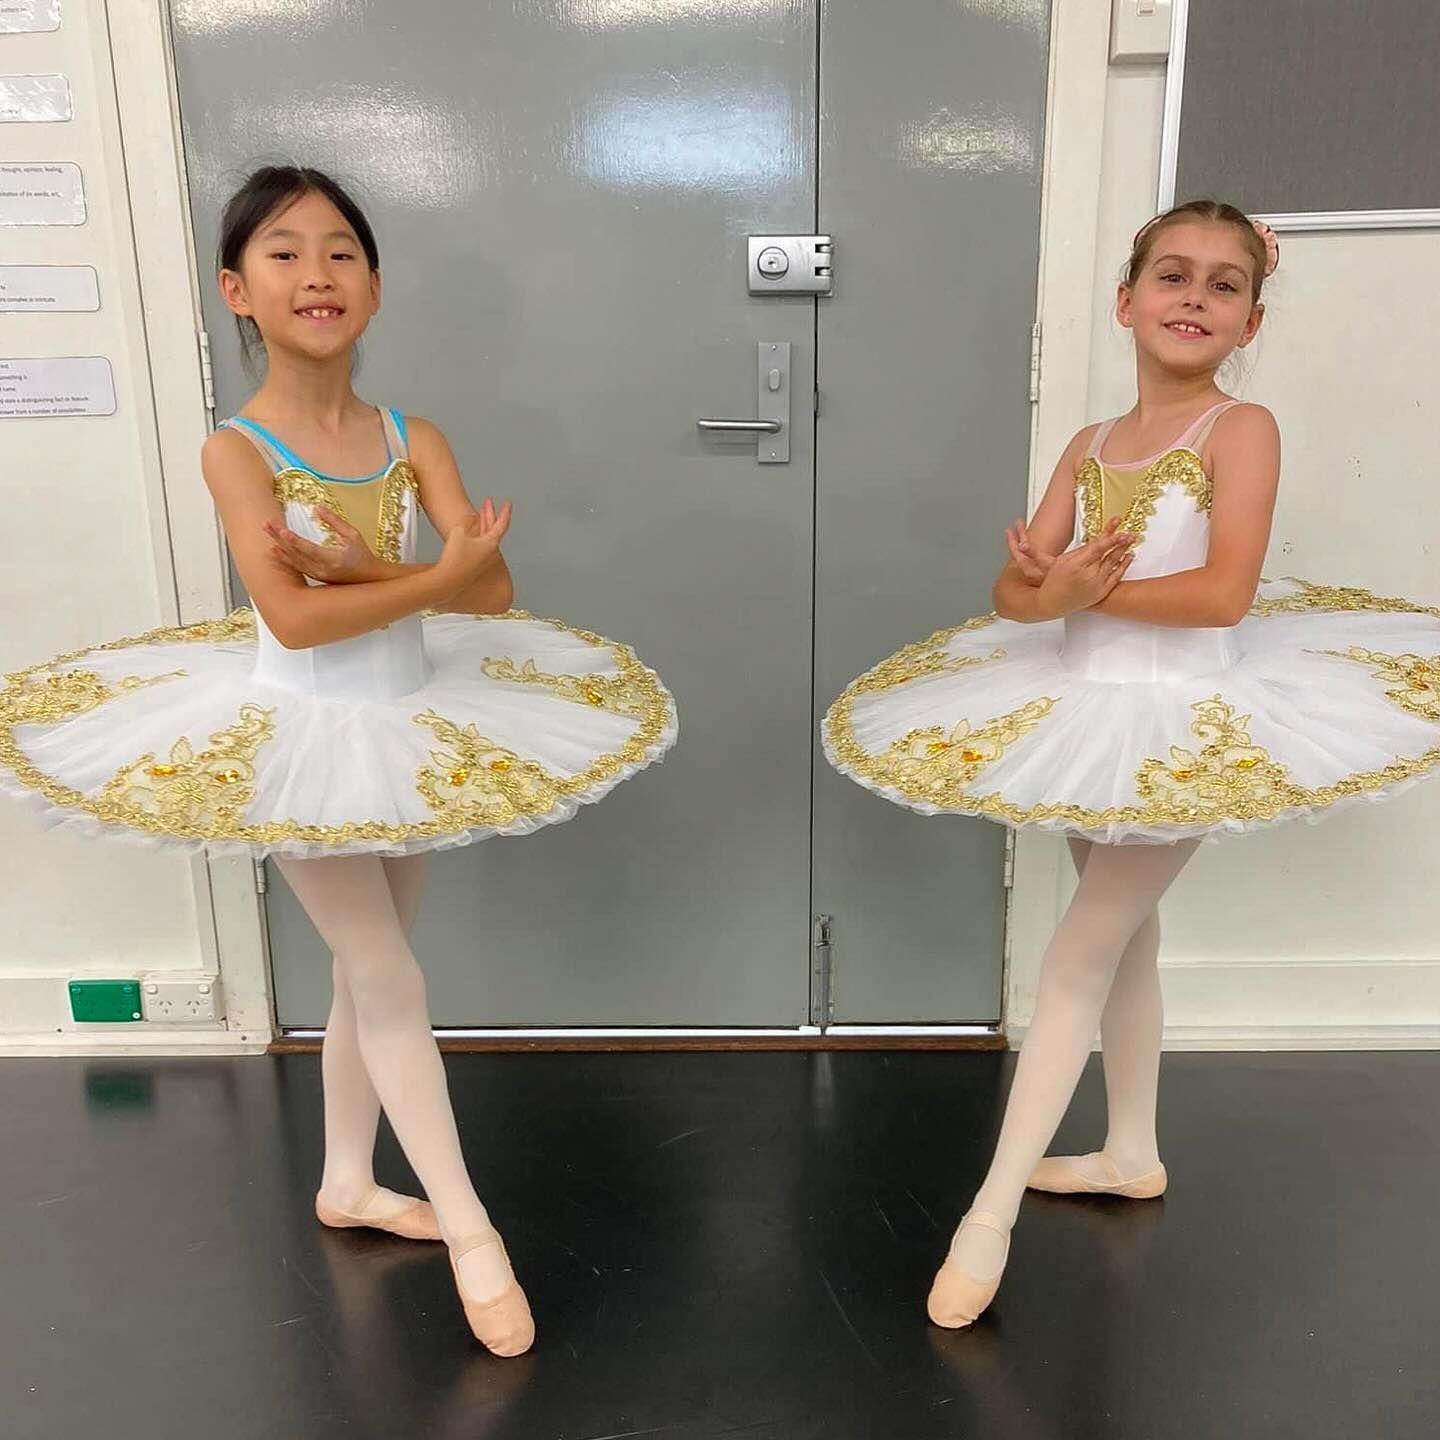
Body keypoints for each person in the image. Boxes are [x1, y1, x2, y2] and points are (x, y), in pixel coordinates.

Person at [0, 165, 678, 1356]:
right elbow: (298, 621)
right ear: (236, 291)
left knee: (374, 971)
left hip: (408, 720)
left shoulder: (413, 436)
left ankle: (349, 1181)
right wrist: (414, 580)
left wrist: (362, 569)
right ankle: (473, 1228)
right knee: (389, 975)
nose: (316, 273)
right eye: (284, 253)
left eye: (341, 253)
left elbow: (496, 590)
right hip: (299, 731)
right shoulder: (235, 452)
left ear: (374, 287)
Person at [823, 199, 1440, 1328]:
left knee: (1076, 954)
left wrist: (1079, 591)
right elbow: (1015, 591)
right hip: (1084, 710)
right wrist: (1049, 593)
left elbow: (1221, 596)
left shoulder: (1239, 431)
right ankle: (1132, 1152)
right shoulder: (1088, 446)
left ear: (1251, 318)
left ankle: (990, 1214)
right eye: (1172, 275)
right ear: (1126, 301)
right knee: (1129, 933)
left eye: (1222, 284)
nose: (1194, 298)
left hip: (1187, 718)